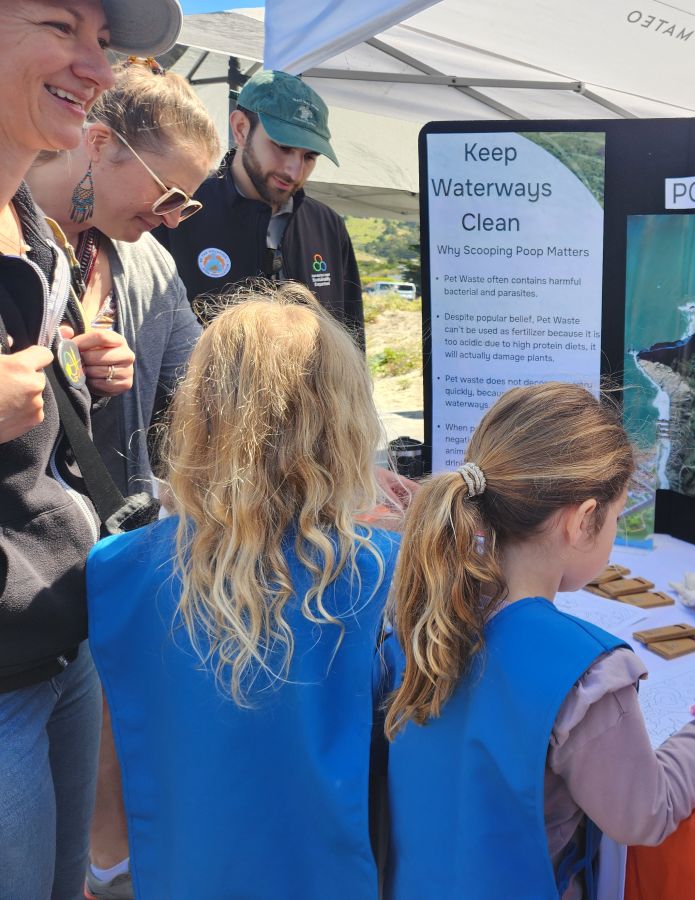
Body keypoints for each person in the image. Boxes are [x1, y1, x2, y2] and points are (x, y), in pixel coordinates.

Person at [383, 383, 695, 899]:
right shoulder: (586, 675)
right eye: (616, 516)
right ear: (584, 521)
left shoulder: (420, 609)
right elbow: (643, 813)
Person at [86, 283, 399, 898]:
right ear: (345, 422)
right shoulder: (379, 571)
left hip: (183, 872)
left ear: (198, 414)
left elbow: (109, 745)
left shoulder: (118, 567)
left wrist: (106, 864)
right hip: (335, 875)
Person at [26, 60, 221, 900]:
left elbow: (198, 391)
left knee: (98, 758)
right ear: (99, 145)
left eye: (187, 203)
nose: (171, 217)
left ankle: (104, 868)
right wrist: (65, 361)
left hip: (107, 568)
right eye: (165, 194)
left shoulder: (145, 265)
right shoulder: (18, 238)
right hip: (22, 599)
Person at [0, 2, 179, 898]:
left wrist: (73, 365)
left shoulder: (35, 236)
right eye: (61, 24)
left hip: (60, 640)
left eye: (102, 43)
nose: (96, 66)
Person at [154, 69, 364, 348]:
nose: (294, 170)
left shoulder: (327, 225)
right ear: (241, 128)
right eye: (283, 147)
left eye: (310, 156)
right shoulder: (179, 211)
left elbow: (351, 338)